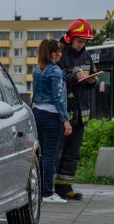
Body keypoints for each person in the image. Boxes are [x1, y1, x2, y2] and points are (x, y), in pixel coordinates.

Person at [55, 19, 98, 200]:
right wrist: (74, 75)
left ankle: (65, 188)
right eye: (79, 41)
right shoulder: (59, 53)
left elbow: (92, 77)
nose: (82, 45)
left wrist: (92, 80)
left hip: (81, 113)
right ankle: (48, 186)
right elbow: (54, 76)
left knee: (73, 152)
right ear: (70, 37)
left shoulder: (86, 56)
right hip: (63, 113)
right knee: (57, 151)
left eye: (85, 42)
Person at [32, 39, 72, 203]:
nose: (61, 54)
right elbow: (58, 97)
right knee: (50, 155)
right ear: (53, 53)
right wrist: (65, 119)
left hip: (37, 113)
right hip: (51, 116)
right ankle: (48, 193)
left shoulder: (37, 69)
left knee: (40, 154)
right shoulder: (55, 71)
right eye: (59, 51)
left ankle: (39, 190)